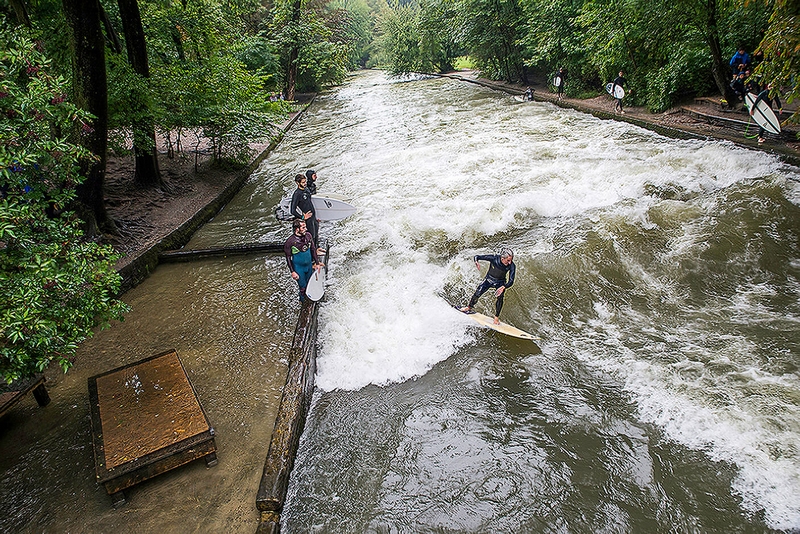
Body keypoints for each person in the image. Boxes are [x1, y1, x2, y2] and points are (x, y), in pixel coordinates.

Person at [460, 249, 516, 325]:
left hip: (500, 282)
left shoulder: (512, 266)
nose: (510, 262)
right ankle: (469, 307)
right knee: (477, 293)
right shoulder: (494, 258)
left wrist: (504, 287)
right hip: (489, 280)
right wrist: (476, 262)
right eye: (508, 260)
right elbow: (477, 256)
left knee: (500, 298)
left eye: (511, 260)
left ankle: (496, 317)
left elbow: (511, 280)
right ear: (502, 258)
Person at [283, 219, 321, 302]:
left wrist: (317, 263)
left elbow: (313, 250)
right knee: (303, 287)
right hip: (299, 268)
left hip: (308, 266)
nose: (306, 229)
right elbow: (288, 258)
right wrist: (292, 271)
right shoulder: (290, 242)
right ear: (297, 229)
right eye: (303, 227)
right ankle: (303, 303)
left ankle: (311, 300)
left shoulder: (308, 236)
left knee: (311, 284)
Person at [290, 173, 319, 248]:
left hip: (313, 215)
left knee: (316, 233)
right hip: (307, 218)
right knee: (311, 235)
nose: (305, 183)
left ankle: (317, 248)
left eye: (305, 181)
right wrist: (303, 217)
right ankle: (313, 252)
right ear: (297, 183)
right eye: (303, 182)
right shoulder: (297, 194)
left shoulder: (306, 189)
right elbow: (292, 210)